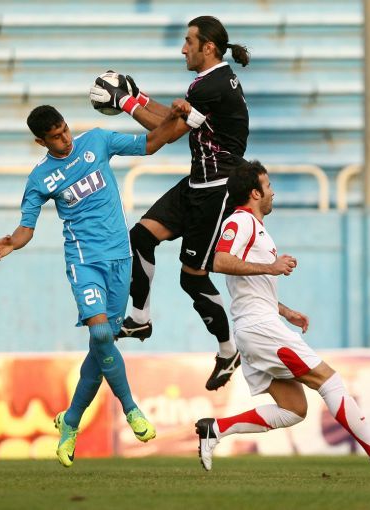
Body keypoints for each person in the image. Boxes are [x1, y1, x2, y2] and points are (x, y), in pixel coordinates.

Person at [0, 102, 188, 468]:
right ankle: (131, 409)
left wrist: (176, 119)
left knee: (103, 345)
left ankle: (70, 421)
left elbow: (149, 144)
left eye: (65, 130)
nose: (65, 139)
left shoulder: (96, 141)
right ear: (41, 142)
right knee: (99, 335)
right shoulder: (40, 178)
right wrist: (12, 242)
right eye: (55, 137)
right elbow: (26, 227)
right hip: (84, 261)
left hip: (120, 258)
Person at [194, 161, 370, 471]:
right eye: (268, 186)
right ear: (255, 193)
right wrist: (271, 267)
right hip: (260, 329)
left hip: (256, 326)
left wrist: (285, 310)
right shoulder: (240, 221)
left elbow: (250, 287)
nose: (272, 192)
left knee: (294, 409)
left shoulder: (255, 227)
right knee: (328, 380)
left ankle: (215, 429)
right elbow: (220, 261)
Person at [89, 15, 251, 391]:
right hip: (198, 181)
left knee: (192, 278)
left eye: (188, 42)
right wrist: (141, 98)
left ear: (208, 47)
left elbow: (167, 134)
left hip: (218, 188)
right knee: (140, 236)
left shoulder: (211, 85)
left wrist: (125, 102)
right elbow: (176, 119)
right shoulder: (211, 81)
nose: (182, 49)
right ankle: (140, 318)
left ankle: (229, 351)